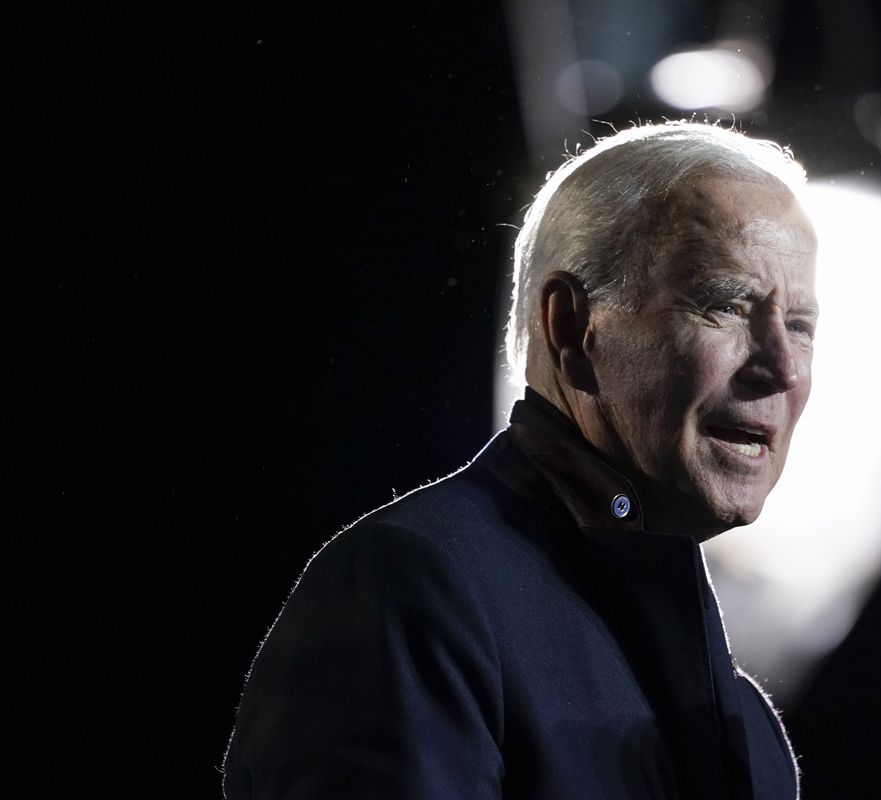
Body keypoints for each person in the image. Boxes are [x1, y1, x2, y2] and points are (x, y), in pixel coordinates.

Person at [222, 121, 819, 799]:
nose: (782, 368)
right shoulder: (412, 593)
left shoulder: (747, 730)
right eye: (726, 304)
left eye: (800, 326)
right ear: (571, 326)